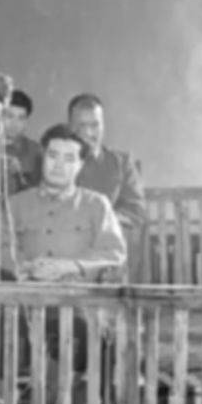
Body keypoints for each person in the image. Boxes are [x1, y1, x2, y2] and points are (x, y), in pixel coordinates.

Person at [2, 124, 127, 404]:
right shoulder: (15, 204)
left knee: (79, 329)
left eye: (69, 159)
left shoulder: (96, 205)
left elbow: (114, 253)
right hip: (25, 300)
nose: (59, 165)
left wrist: (69, 266)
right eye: (53, 155)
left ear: (80, 165)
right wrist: (25, 269)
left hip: (77, 299)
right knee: (13, 329)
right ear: (42, 158)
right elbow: (1, 249)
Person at [67, 93, 147, 280]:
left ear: (103, 125)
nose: (89, 133)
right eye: (81, 126)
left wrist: (100, 219)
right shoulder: (58, 163)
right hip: (67, 251)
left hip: (107, 254)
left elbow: (136, 211)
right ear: (71, 127)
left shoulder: (121, 162)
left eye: (95, 125)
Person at [2, 89, 44, 187]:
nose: (14, 124)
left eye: (21, 118)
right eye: (9, 116)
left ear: (26, 122)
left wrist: (18, 176)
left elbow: (39, 191)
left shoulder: (36, 152)